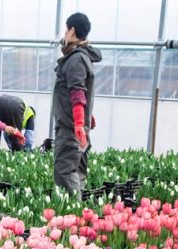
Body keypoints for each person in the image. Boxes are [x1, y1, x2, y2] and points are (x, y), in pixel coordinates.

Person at [52, 12, 102, 196]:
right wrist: (86, 114)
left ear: (72, 31)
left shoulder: (75, 59)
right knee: (77, 173)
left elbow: (77, 91)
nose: (64, 34)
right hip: (77, 127)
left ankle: (70, 218)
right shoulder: (84, 57)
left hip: (71, 129)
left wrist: (80, 122)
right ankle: (78, 218)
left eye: (66, 29)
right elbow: (81, 92)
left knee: (65, 173)